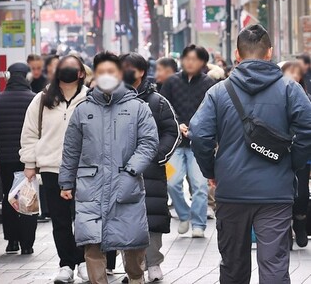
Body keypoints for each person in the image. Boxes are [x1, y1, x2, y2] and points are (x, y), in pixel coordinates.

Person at [189, 24, 311, 284]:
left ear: (237, 54)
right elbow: (307, 131)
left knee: (233, 265)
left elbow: (199, 133)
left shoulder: (219, 91)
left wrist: (212, 170)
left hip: (232, 190)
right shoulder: (290, 89)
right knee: (275, 264)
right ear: (270, 53)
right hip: (276, 191)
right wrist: (294, 164)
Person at [59, 51, 159, 284]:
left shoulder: (137, 107)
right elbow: (71, 149)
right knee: (92, 246)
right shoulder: (83, 110)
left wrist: (132, 170)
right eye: (101, 71)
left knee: (133, 244)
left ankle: (136, 278)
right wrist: (66, 181)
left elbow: (149, 143)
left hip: (126, 184)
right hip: (90, 187)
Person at [111, 53, 181, 282]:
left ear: (140, 72)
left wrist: (159, 155)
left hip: (150, 170)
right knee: (124, 220)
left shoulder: (157, 101)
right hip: (120, 171)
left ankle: (153, 263)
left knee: (152, 218)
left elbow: (172, 131)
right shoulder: (110, 99)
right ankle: (133, 267)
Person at [20, 55, 89, 283]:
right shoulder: (42, 99)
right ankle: (66, 264)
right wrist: (30, 163)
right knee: (60, 220)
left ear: (81, 73)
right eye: (64, 67)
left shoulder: (91, 98)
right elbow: (30, 132)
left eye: (73, 67)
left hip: (85, 168)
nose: (68, 71)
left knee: (84, 219)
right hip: (52, 168)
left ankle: (83, 262)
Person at [160, 44, 215, 238]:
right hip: (173, 144)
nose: (190, 62)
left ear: (202, 62)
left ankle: (198, 224)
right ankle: (184, 215)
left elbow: (211, 112)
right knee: (171, 182)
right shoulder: (171, 82)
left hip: (199, 144)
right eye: (187, 58)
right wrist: (178, 125)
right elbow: (164, 108)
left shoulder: (209, 84)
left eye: (195, 59)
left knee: (200, 185)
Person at [0, 63, 37, 255]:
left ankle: (12, 241)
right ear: (26, 76)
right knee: (28, 197)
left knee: (9, 197)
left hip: (5, 159)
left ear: (9, 76)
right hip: (28, 159)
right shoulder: (34, 100)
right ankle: (27, 244)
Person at [281, 60, 311, 248]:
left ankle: (300, 222)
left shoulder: (306, 97)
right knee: (283, 193)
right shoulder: (275, 96)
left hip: (302, 153)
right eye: (288, 72)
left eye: (296, 73)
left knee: (301, 193)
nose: (293, 76)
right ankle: (285, 230)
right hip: (279, 153)